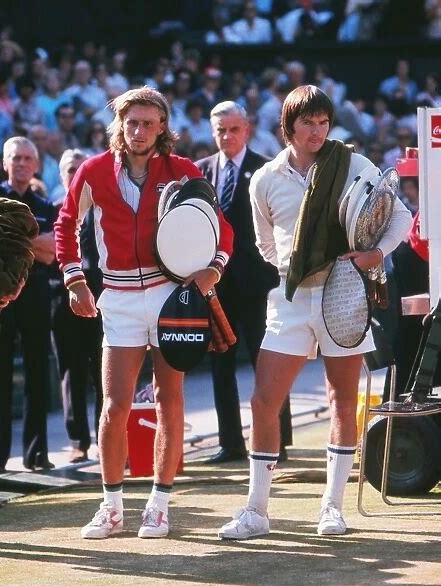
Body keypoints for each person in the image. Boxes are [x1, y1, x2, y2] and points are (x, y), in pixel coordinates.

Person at [218, 85, 412, 540]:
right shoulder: (263, 178)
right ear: (288, 127)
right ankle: (256, 511)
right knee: (264, 400)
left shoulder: (353, 164)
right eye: (308, 122)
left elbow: (401, 217)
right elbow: (266, 245)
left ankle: (332, 508)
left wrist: (372, 255)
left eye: (323, 122)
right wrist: (297, 265)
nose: (317, 130)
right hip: (291, 299)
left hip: (345, 295)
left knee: (341, 399)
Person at [54, 86, 233, 539]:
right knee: (114, 405)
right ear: (120, 124)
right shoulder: (92, 170)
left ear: (162, 128)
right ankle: (111, 507)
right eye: (130, 121)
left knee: (168, 399)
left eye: (147, 123)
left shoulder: (183, 170)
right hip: (118, 298)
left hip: (172, 296)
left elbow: (222, 228)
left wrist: (214, 268)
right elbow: (65, 223)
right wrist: (75, 280)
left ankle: (159, 505)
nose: (137, 131)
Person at [196, 101, 292, 464]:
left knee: (266, 364)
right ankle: (230, 442)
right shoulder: (201, 172)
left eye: (234, 129)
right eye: (220, 130)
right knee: (221, 364)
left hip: (259, 284)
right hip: (216, 286)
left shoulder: (265, 169)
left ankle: (276, 440)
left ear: (246, 130)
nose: (227, 136)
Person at [0, 136, 56, 474]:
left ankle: (37, 455)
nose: (20, 163)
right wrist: (34, 242)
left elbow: (53, 251)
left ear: (36, 164)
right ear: (4, 162)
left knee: (37, 376)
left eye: (27, 158)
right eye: (14, 158)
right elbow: (41, 248)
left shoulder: (46, 207)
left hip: (35, 297)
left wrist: (11, 239)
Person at [51, 149, 103, 463]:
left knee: (104, 370)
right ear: (61, 175)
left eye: (80, 168)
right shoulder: (57, 210)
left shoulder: (104, 211)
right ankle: (78, 442)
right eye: (70, 169)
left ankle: (105, 438)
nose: (75, 174)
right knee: (71, 372)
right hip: (62, 298)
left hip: (102, 297)